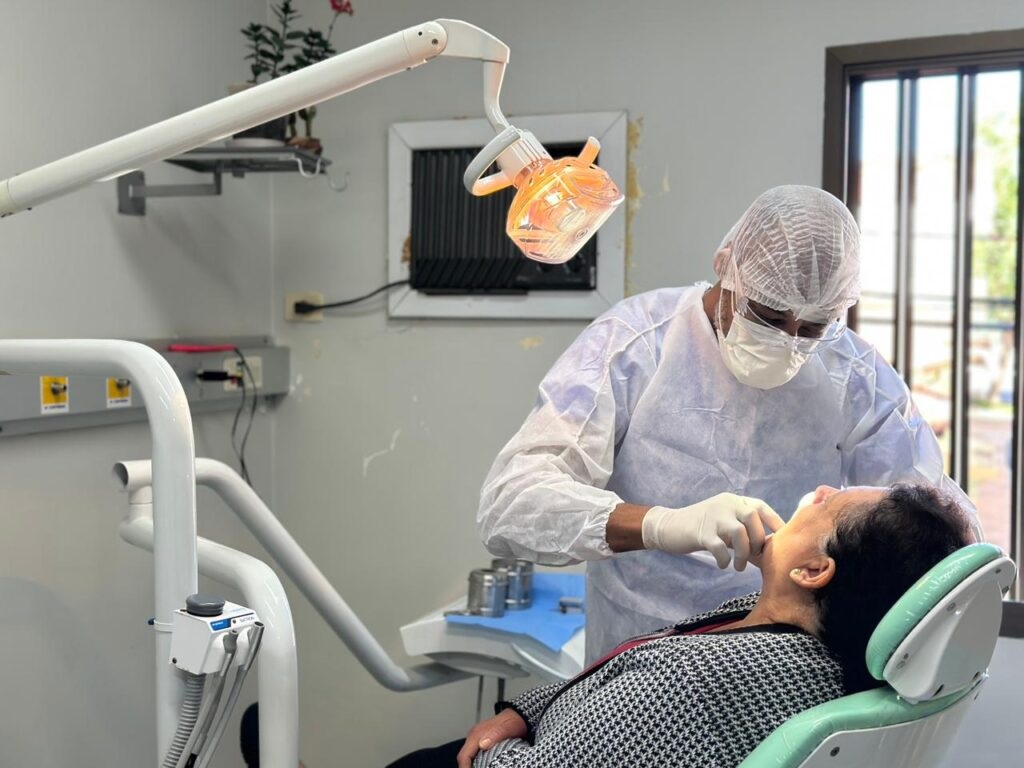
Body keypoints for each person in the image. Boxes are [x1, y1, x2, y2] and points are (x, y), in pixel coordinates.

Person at [477, 185, 980, 663]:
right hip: (635, 651)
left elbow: (930, 517)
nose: (789, 340)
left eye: (811, 327)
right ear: (727, 267)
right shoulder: (636, 344)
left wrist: (977, 571)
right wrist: (661, 524)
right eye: (768, 316)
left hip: (778, 656)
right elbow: (512, 503)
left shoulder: (854, 374)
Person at [388, 483, 974, 768]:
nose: (816, 490)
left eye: (828, 503)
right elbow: (607, 679)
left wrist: (491, 750)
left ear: (814, 570)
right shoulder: (772, 635)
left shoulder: (706, 682)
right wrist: (524, 711)